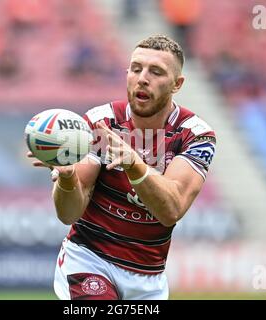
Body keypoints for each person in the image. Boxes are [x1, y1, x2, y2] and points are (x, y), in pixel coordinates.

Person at [27, 35, 216, 300]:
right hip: (90, 261)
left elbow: (171, 210)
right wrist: (68, 179)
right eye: (136, 68)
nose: (142, 78)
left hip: (149, 278)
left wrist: (132, 163)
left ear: (177, 84)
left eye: (156, 72)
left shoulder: (195, 136)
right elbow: (68, 214)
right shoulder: (100, 122)